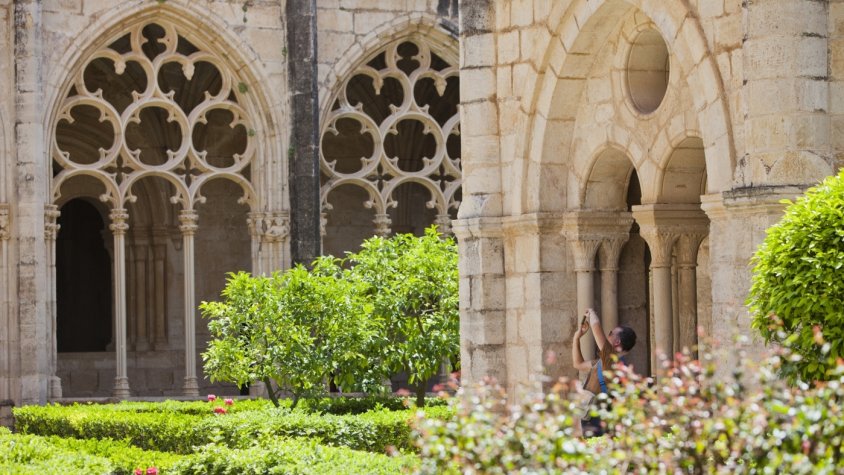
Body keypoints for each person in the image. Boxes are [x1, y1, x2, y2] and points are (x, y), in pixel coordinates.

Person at [571, 307, 636, 437]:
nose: (608, 334)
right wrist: (576, 339)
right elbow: (578, 364)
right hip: (590, 416)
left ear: (617, 341)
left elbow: (596, 330)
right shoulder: (604, 362)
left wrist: (592, 313)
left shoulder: (613, 362)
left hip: (598, 420)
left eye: (611, 333)